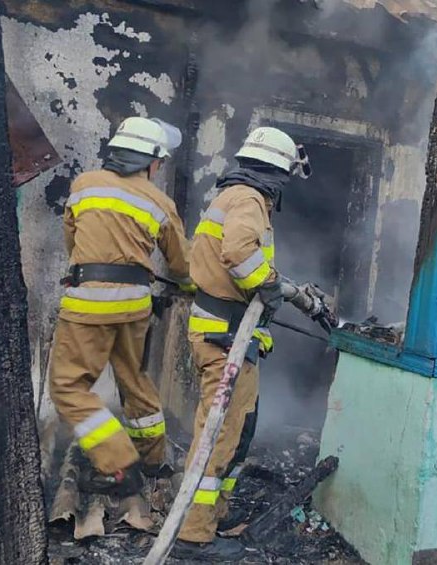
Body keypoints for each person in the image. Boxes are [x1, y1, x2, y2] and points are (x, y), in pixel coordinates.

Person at [172, 127, 329, 560]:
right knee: (221, 434)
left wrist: (290, 292)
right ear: (278, 169)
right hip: (226, 336)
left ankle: (209, 518)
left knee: (234, 430)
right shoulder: (249, 199)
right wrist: (274, 287)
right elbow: (240, 254)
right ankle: (193, 537)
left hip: (230, 333)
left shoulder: (232, 194)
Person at [49, 116, 192, 497]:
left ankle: (119, 461)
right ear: (150, 161)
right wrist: (190, 286)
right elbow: (181, 267)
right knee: (134, 379)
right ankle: (151, 458)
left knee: (67, 387)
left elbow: (73, 243)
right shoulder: (161, 203)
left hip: (87, 307)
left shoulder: (84, 186)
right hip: (134, 308)